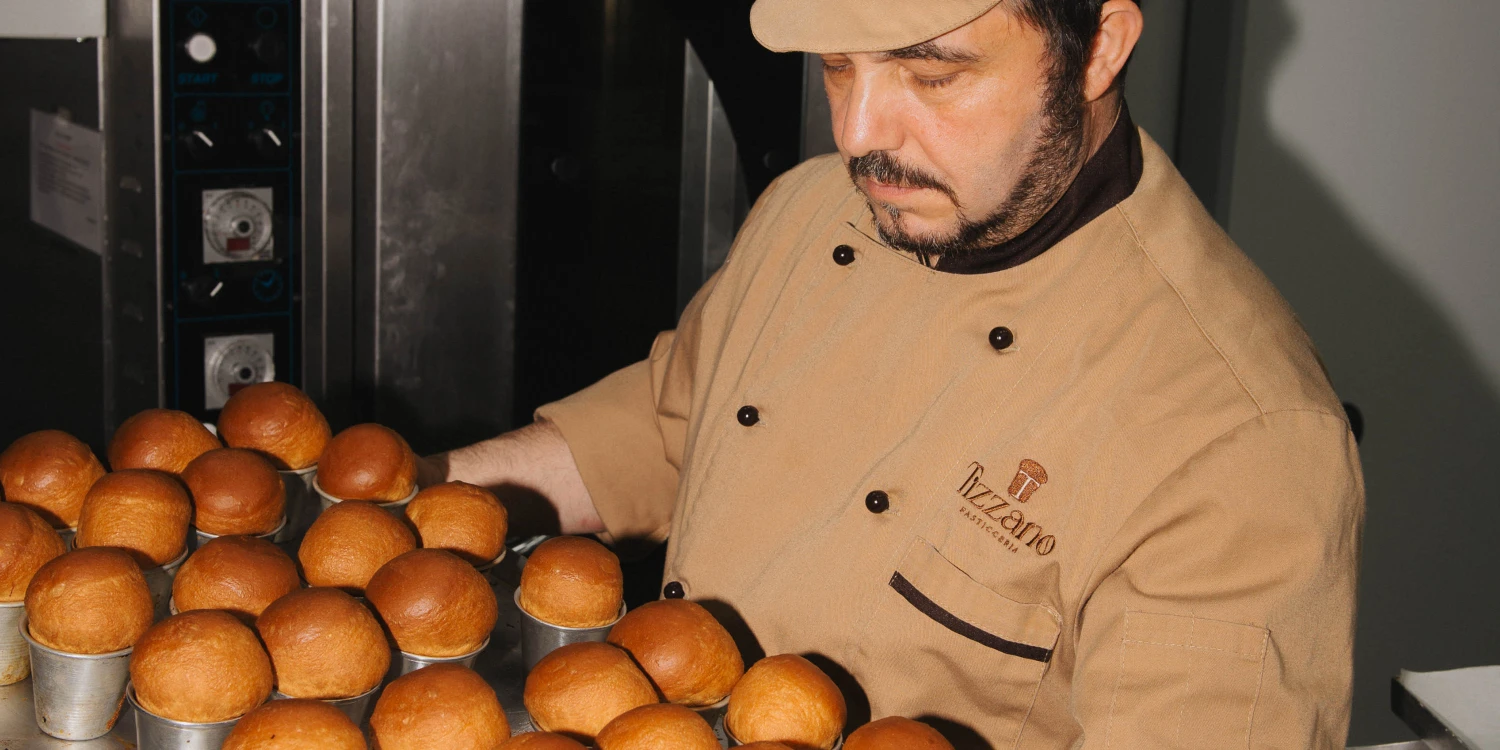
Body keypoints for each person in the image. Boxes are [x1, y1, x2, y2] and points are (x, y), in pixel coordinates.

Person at [424, 1, 1365, 747]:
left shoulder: (1242, 437)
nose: (859, 133)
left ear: (1099, 48)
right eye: (839, 64)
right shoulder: (809, 215)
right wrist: (416, 497)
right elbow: (674, 425)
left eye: (929, 70)